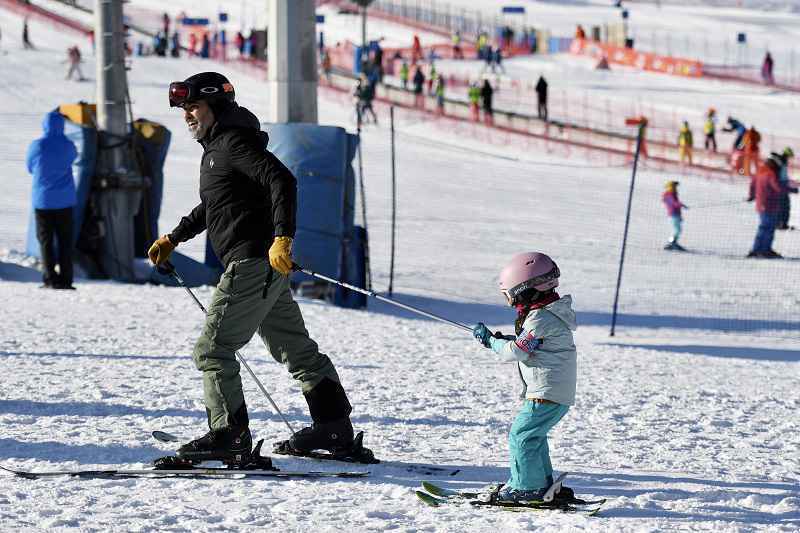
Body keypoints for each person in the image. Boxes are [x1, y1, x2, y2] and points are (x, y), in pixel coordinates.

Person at [148, 72, 360, 463]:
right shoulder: (217, 149)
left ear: (216, 105)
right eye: (185, 109)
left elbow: (282, 179)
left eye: (193, 106)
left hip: (251, 264)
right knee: (295, 349)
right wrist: (174, 238)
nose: (188, 115)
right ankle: (333, 426)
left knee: (212, 350)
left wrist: (283, 237)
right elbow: (214, 206)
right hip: (264, 269)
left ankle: (228, 434)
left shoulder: (232, 143)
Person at [472, 252, 577, 504]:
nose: (511, 302)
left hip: (546, 392)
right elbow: (528, 344)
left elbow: (516, 352)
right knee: (533, 436)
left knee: (521, 436)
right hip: (553, 391)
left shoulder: (540, 318)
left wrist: (491, 341)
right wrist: (509, 341)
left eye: (511, 296)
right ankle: (540, 482)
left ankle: (527, 487)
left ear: (526, 291)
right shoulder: (549, 314)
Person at [26, 110, 78, 289]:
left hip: (43, 201)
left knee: (46, 241)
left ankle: (50, 278)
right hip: (65, 201)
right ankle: (66, 279)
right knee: (65, 241)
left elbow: (30, 167)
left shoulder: (37, 146)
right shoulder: (69, 145)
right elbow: (74, 159)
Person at [747, 152, 798, 258]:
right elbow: (778, 187)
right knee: (768, 228)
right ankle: (763, 250)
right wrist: (792, 189)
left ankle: (758, 249)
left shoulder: (760, 171)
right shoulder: (771, 174)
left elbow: (753, 184)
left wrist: (751, 195)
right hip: (770, 205)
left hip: (761, 204)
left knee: (764, 227)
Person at [662, 181, 688, 251]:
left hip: (675, 214)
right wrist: (681, 204)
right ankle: (672, 243)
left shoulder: (673, 194)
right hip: (673, 214)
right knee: (677, 230)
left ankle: (673, 242)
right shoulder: (669, 195)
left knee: (678, 230)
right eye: (674, 186)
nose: (675, 188)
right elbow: (673, 203)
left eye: (675, 186)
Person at [776, 147, 795, 230]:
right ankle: (780, 223)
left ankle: (783, 223)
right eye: (789, 156)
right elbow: (781, 177)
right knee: (782, 206)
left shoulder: (783, 162)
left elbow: (784, 176)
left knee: (785, 206)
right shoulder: (781, 162)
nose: (789, 158)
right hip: (781, 187)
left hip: (783, 186)